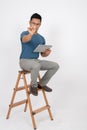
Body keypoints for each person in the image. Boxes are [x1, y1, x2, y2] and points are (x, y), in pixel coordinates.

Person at [19, 13, 59, 96]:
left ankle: (41, 84)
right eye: (33, 23)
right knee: (36, 66)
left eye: (37, 24)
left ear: (40, 25)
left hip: (36, 61)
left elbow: (42, 54)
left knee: (55, 66)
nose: (35, 26)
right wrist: (30, 33)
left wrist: (46, 53)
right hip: (24, 61)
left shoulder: (41, 38)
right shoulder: (25, 33)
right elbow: (24, 40)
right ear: (30, 23)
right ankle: (33, 86)